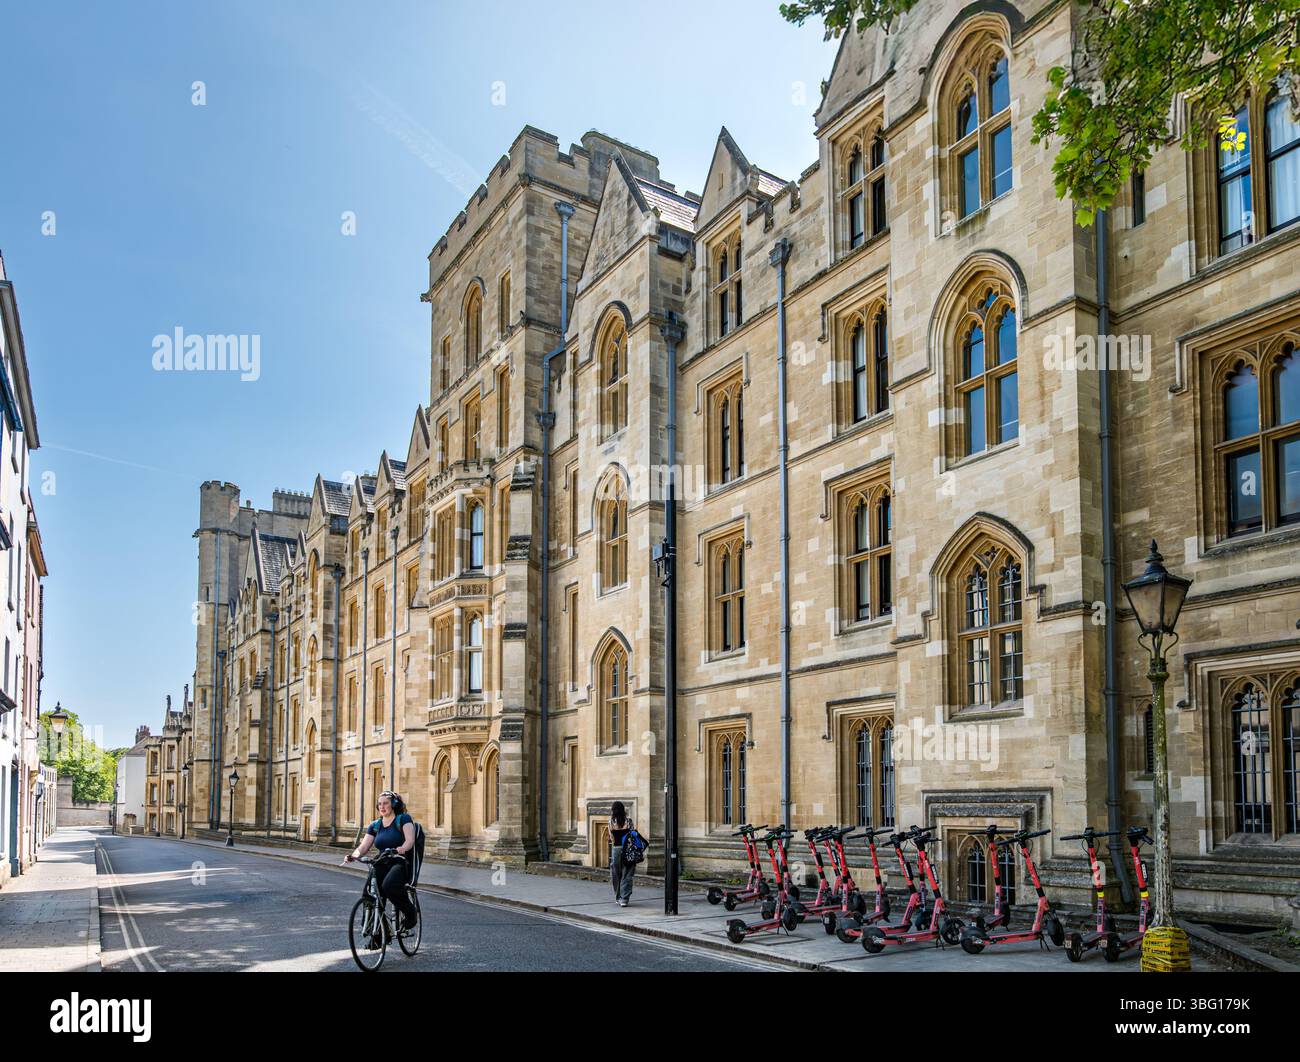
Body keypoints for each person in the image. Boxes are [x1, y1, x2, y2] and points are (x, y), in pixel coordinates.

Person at [347, 791, 418, 933]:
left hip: (399, 861)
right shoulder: (375, 825)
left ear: (393, 804)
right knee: (369, 892)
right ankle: (376, 932)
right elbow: (364, 846)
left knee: (389, 886)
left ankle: (411, 913)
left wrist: (402, 848)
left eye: (385, 803)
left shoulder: (403, 819)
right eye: (379, 804)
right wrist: (353, 856)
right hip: (382, 861)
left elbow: (410, 840)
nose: (382, 806)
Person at [609, 801, 636, 907]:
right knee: (627, 873)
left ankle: (618, 897)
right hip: (628, 849)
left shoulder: (611, 822)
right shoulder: (629, 821)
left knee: (616, 873)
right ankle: (624, 899)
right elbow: (633, 835)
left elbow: (611, 837)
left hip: (616, 849)